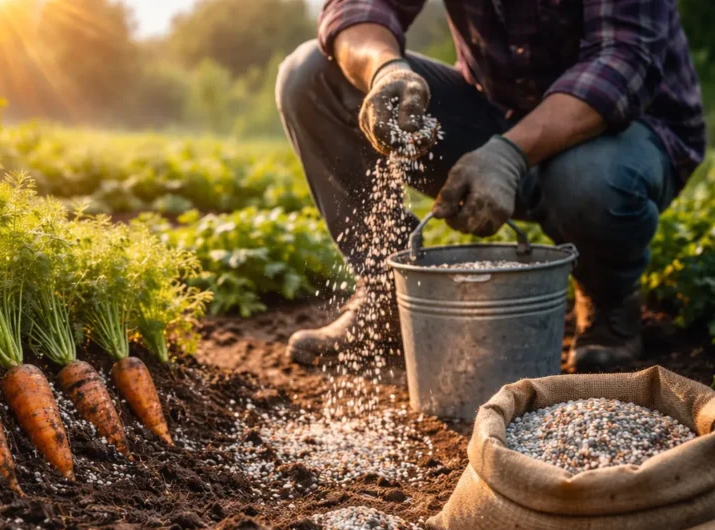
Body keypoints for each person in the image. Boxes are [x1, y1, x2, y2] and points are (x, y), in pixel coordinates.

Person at [277, 0, 706, 372]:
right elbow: (361, 8)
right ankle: (394, 297)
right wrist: (386, 70)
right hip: (496, 108)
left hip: (625, 130)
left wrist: (509, 155)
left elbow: (622, 59)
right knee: (310, 76)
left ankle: (608, 299)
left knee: (586, 179)